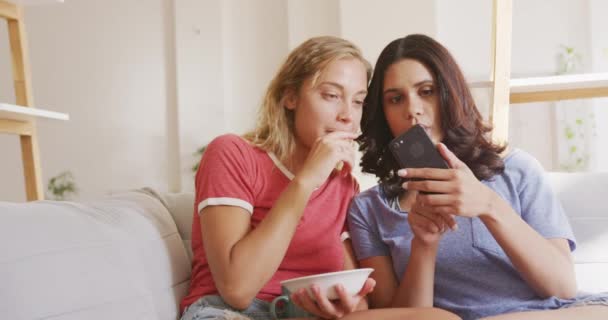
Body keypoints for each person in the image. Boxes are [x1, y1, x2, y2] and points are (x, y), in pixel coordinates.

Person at [180, 36, 459, 320]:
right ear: (290, 96)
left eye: (358, 101)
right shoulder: (232, 154)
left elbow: (358, 297)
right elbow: (237, 288)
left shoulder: (343, 183)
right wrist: (306, 180)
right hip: (227, 312)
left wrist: (345, 306)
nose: (347, 116)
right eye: (331, 95)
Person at [348, 34, 608, 320]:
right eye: (396, 99)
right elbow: (404, 318)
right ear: (383, 113)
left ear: (450, 94)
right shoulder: (368, 209)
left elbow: (563, 287)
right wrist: (423, 245)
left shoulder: (516, 170)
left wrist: (489, 206)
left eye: (427, 91)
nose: (412, 109)